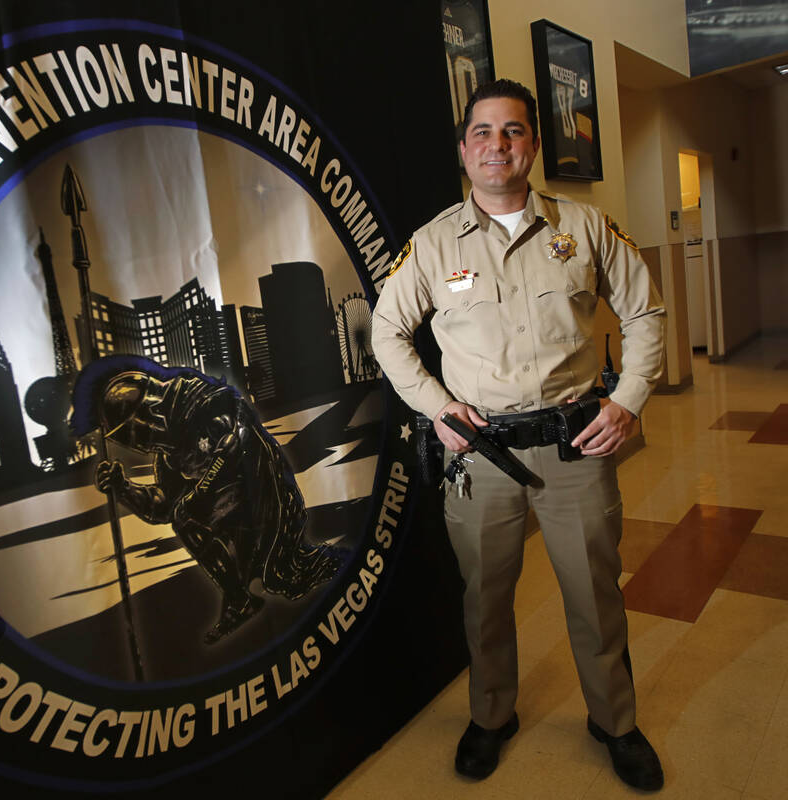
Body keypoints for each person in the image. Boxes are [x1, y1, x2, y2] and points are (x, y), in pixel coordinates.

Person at [371, 79, 665, 791]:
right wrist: (438, 407)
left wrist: (626, 400)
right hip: (484, 457)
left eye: (511, 131)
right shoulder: (435, 244)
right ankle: (492, 716)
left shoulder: (586, 228)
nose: (496, 145)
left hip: (576, 445)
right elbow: (386, 332)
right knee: (486, 598)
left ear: (532, 144)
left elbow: (645, 313)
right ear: (464, 150)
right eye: (482, 132)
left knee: (595, 596)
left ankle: (614, 722)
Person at [70, 355, 344, 644]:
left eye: (132, 435)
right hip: (233, 514)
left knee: (276, 569)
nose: (137, 445)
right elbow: (162, 507)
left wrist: (199, 495)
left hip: (264, 491)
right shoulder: (168, 458)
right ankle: (240, 601)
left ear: (148, 412)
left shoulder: (199, 401)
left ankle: (246, 593)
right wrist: (122, 488)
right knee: (183, 516)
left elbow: (236, 442)